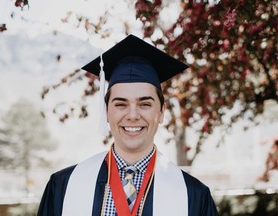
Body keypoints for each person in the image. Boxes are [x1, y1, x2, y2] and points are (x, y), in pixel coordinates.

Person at [37, 34, 219, 216]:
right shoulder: (64, 187)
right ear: (106, 111)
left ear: (162, 112)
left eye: (145, 104)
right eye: (121, 104)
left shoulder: (193, 196)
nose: (132, 115)